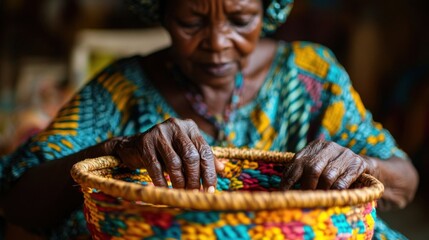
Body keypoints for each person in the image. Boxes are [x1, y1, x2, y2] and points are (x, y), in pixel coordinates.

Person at [0, 0, 418, 239]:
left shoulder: (312, 76)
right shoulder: (122, 88)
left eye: (240, 21)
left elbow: (406, 182)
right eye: (191, 22)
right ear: (161, 12)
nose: (217, 44)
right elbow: (18, 202)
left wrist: (363, 166)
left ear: (267, 11)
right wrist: (117, 151)